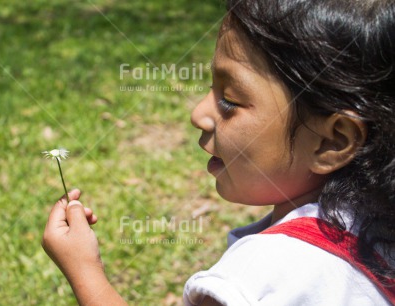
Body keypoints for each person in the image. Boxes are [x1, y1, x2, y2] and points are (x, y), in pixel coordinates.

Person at [42, 0, 395, 305]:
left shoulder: (259, 278)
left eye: (230, 99)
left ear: (332, 141)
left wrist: (85, 271)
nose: (199, 114)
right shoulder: (377, 225)